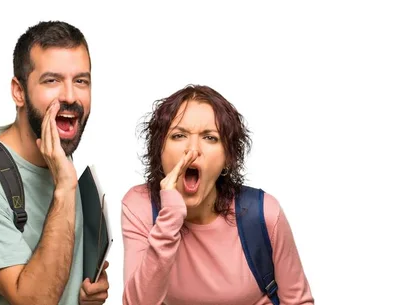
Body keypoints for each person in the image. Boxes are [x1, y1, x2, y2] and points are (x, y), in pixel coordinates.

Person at [0, 20, 109, 305]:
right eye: (52, 80)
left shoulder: (57, 157)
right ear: (19, 92)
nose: (70, 96)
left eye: (81, 81)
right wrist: (66, 187)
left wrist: (82, 294)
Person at [121, 84, 314, 304]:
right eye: (178, 135)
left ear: (227, 158)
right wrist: (170, 216)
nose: (193, 150)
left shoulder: (265, 214)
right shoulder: (140, 206)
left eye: (210, 138)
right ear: (159, 151)